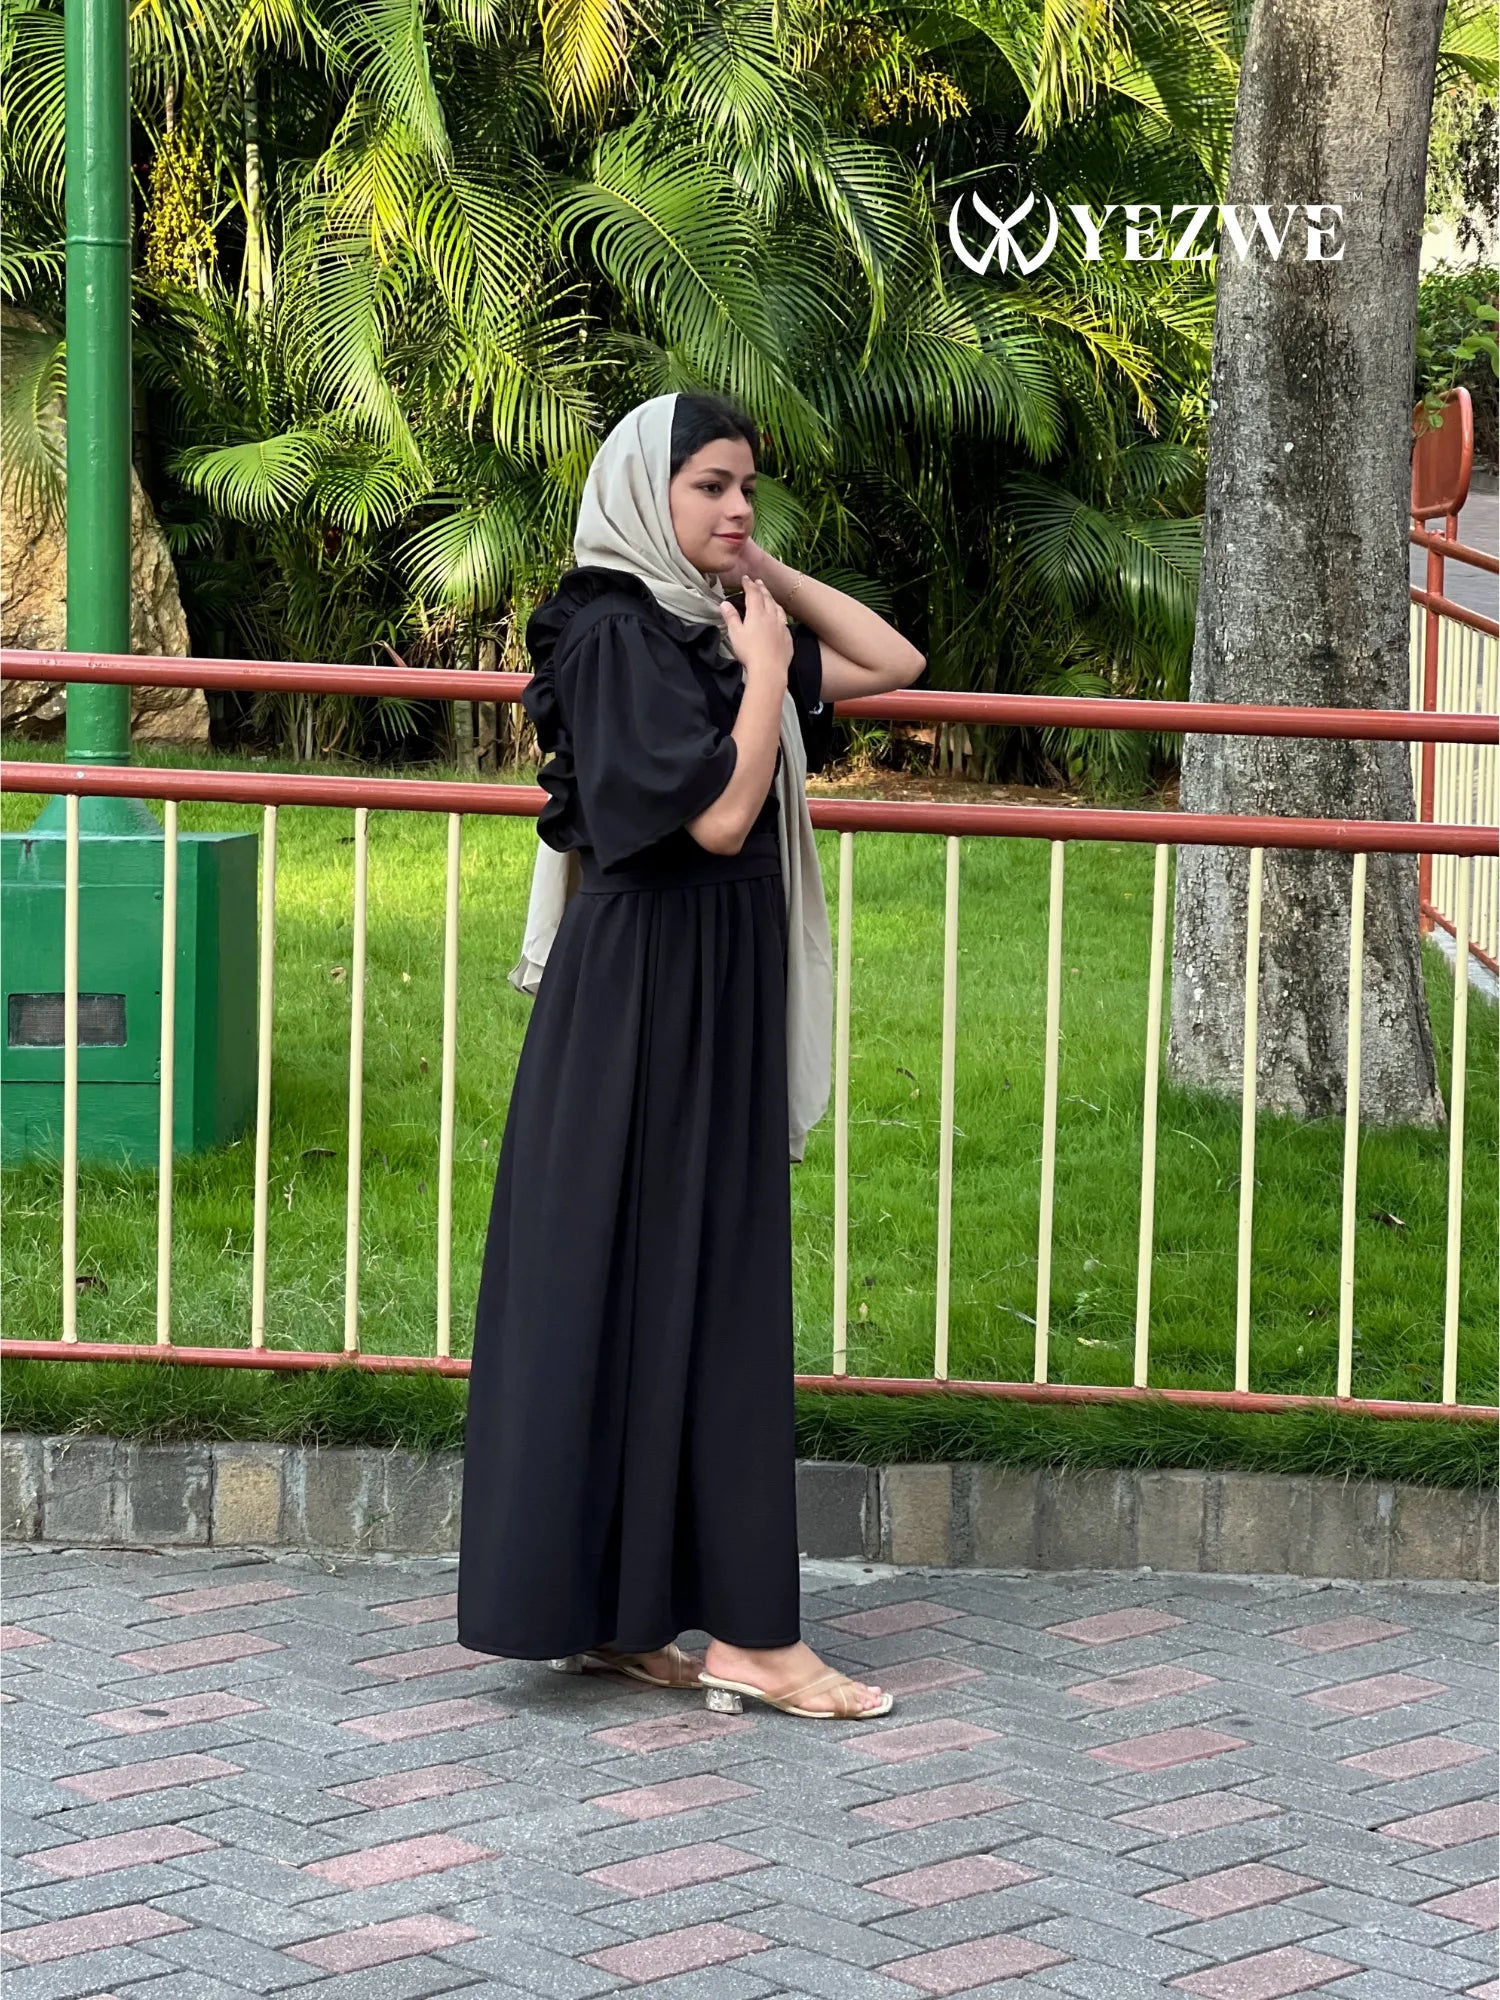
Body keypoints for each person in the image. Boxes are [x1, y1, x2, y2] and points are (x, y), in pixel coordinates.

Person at [456, 391, 925, 1719]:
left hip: (709, 990)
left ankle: (631, 1618)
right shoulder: (609, 633)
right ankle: (755, 1644)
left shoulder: (702, 622)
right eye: (710, 486)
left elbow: (896, 661)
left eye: (749, 491)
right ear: (638, 493)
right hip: (641, 1000)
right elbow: (717, 823)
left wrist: (760, 581)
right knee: (685, 1290)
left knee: (682, 1289)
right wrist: (767, 677)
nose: (735, 508)